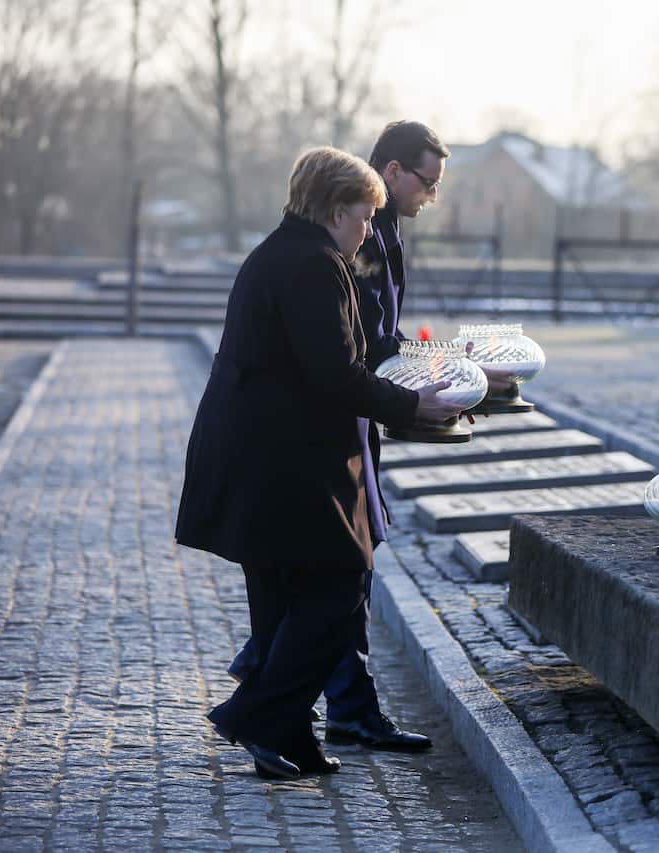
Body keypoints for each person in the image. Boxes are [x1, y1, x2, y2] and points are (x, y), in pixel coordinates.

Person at [175, 146, 464, 778]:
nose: (368, 231)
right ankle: (256, 713)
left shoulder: (284, 253)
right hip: (284, 462)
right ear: (335, 210)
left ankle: (288, 736)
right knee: (339, 586)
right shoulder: (312, 265)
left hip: (262, 455)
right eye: (363, 217)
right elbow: (334, 374)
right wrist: (415, 406)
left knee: (281, 599)